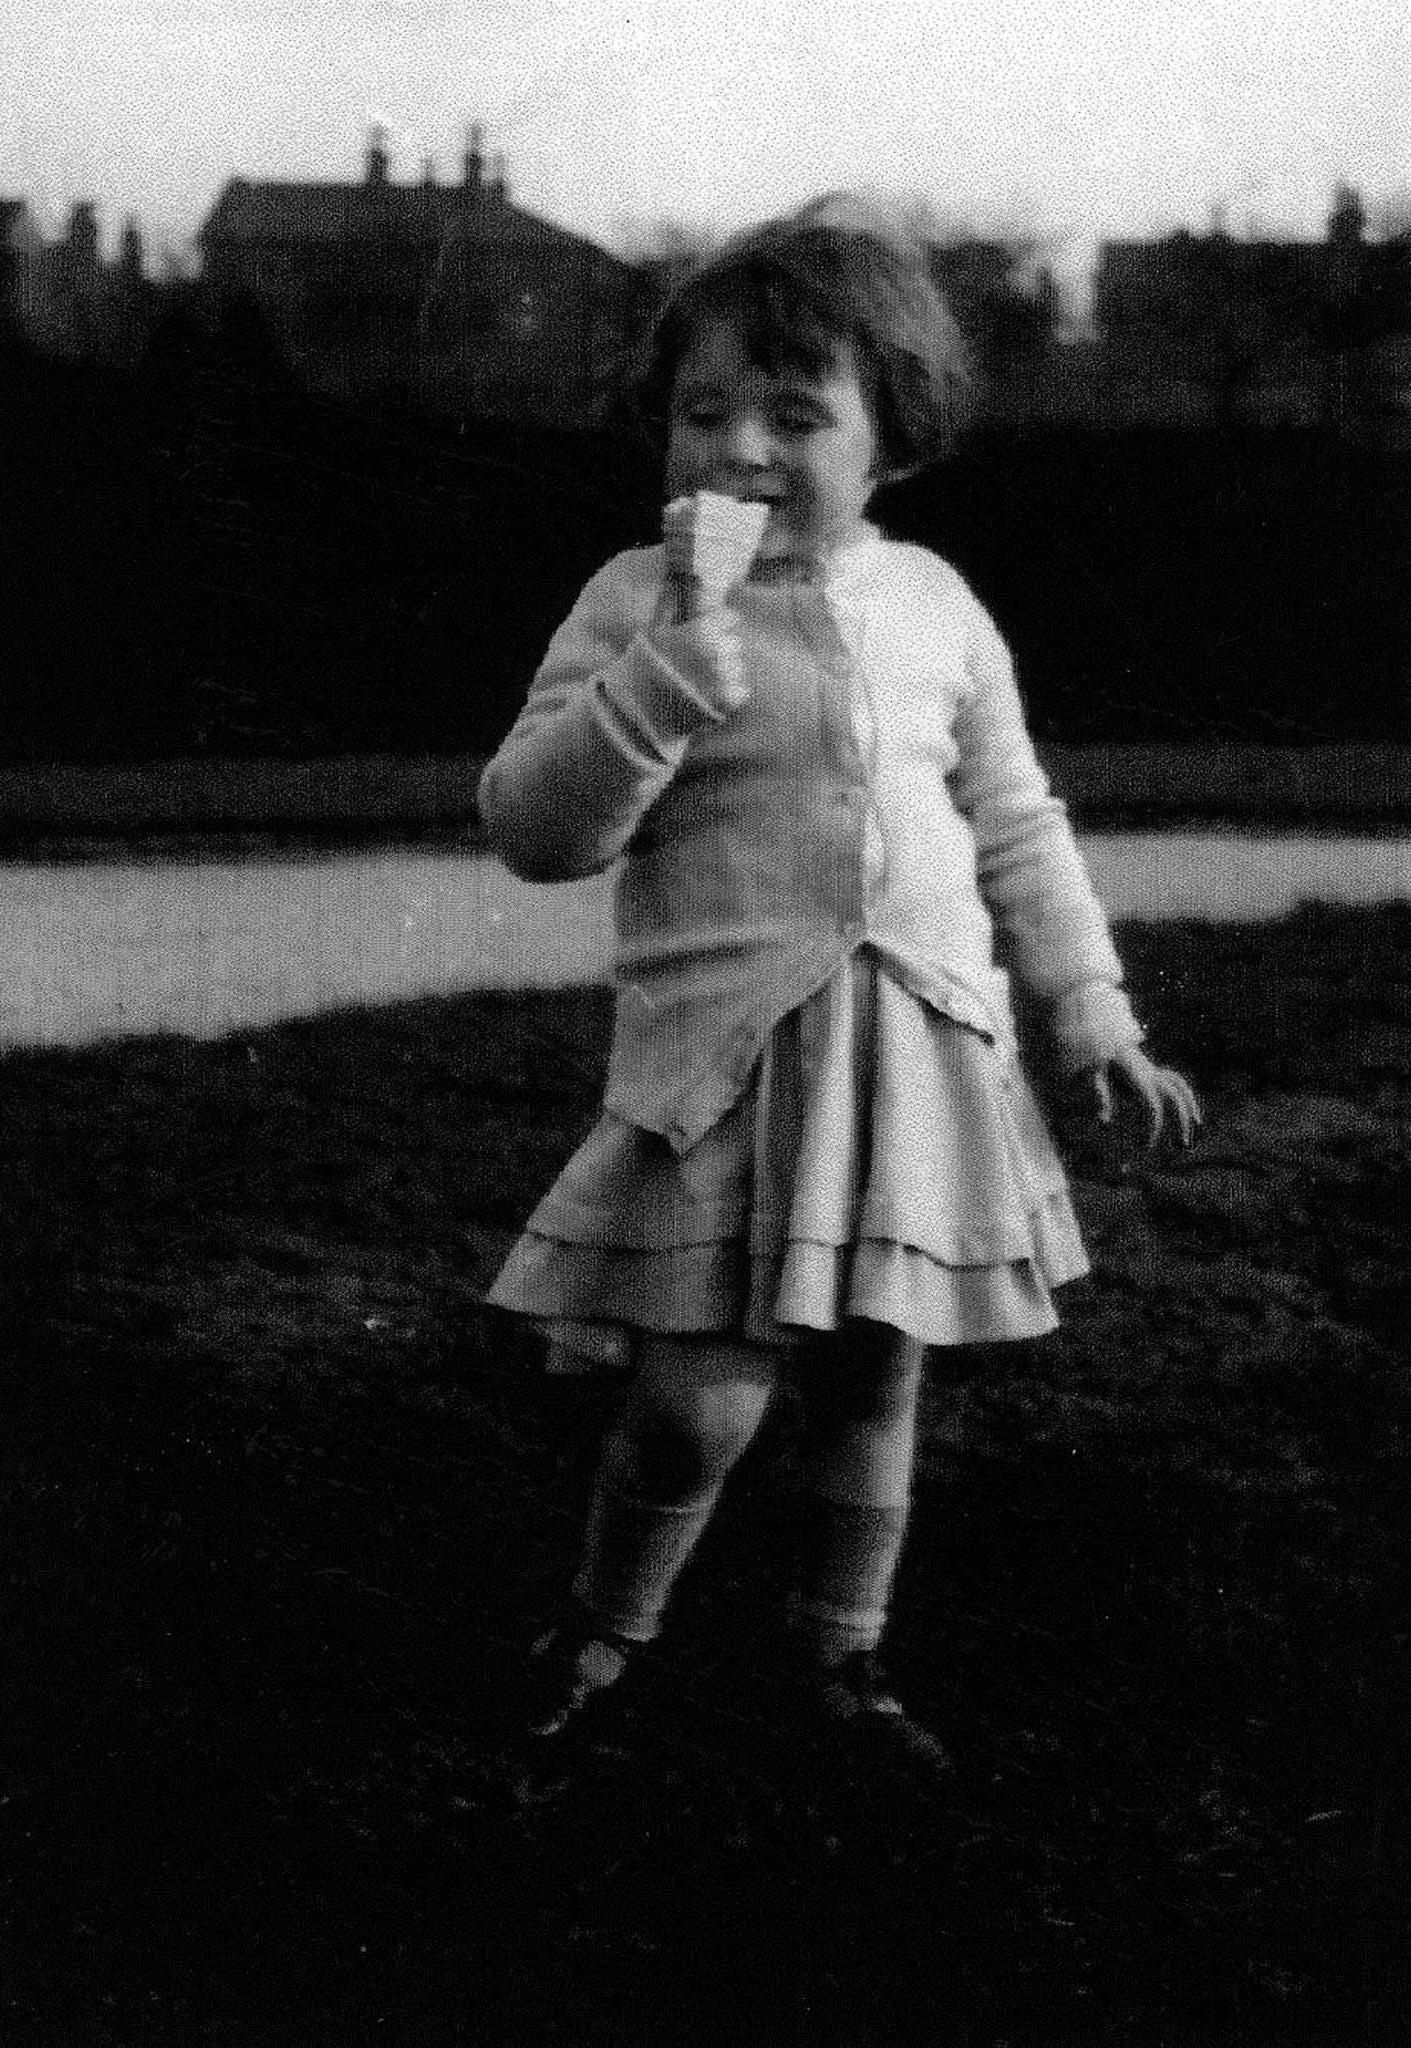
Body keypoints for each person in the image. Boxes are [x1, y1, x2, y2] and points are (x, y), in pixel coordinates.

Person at [477, 194, 1200, 1775]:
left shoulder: (934, 603)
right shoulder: (633, 601)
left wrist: (1092, 1011)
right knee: (699, 1404)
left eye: (795, 418)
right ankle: (604, 1627)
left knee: (877, 1373)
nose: (739, 451)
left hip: (915, 1049)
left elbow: (1016, 821)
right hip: (725, 1067)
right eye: (703, 412)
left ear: (894, 439)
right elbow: (535, 828)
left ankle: (842, 1657)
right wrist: (662, 682)